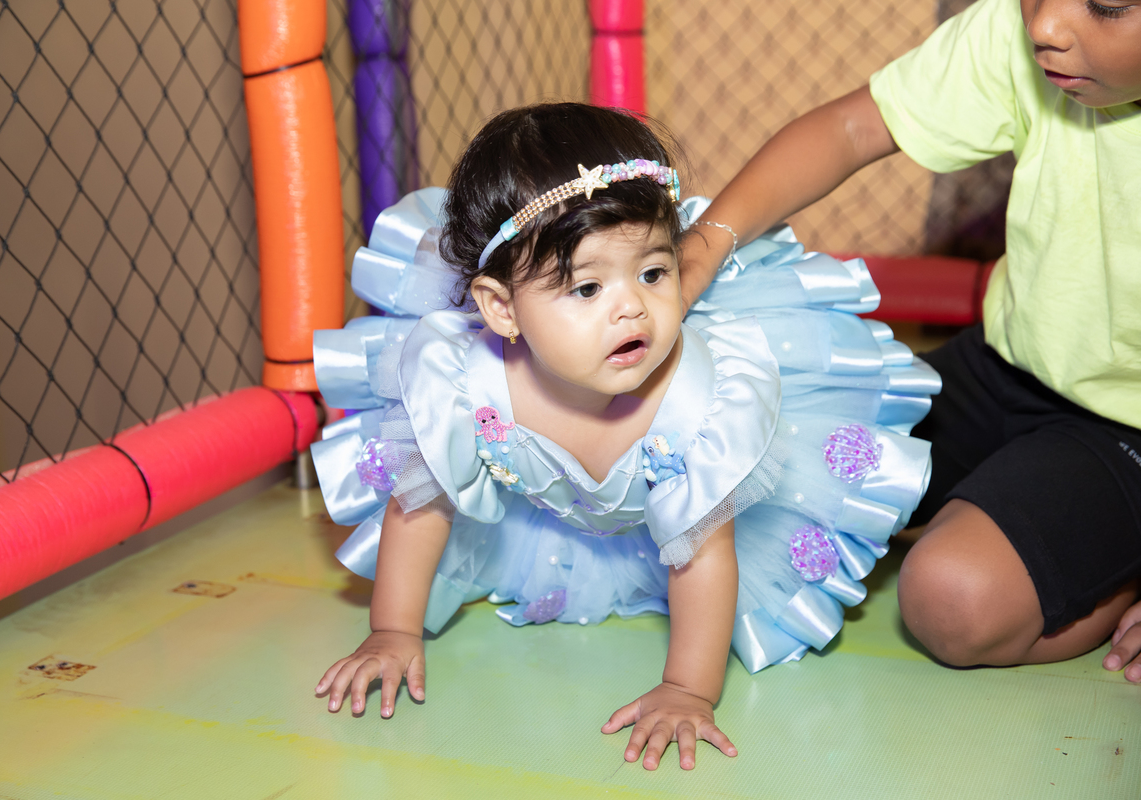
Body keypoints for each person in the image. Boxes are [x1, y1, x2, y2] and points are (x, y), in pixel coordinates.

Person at [310, 103, 938, 769]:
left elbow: (704, 553)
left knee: (698, 540)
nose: (632, 306)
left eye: (653, 273)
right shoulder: (462, 384)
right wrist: (392, 630)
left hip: (674, 528)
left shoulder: (703, 402)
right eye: (587, 288)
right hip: (551, 522)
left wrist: (687, 689)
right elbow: (422, 506)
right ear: (502, 308)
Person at [677, 0, 1141, 683]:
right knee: (750, 491)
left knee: (950, 600)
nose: (1044, 25)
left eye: (1106, 3)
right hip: (1005, 363)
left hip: (1124, 427)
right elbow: (852, 126)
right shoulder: (1018, 36)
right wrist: (701, 246)